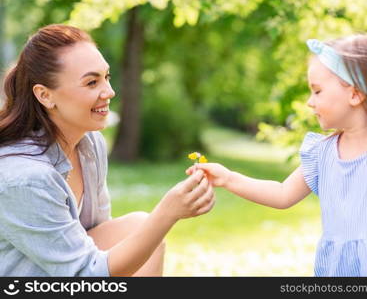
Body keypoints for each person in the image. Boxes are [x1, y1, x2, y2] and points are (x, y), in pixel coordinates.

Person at [187, 34, 367, 276]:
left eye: (317, 91)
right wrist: (228, 178)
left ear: (355, 94)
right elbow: (282, 194)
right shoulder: (323, 152)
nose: (309, 102)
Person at [0, 24, 215, 277]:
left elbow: (102, 235)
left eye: (107, 77)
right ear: (45, 96)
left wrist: (156, 222)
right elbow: (87, 275)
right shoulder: (24, 178)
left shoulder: (90, 143)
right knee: (148, 228)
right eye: (92, 82)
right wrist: (167, 213)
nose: (109, 92)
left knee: (138, 227)